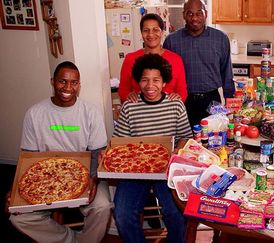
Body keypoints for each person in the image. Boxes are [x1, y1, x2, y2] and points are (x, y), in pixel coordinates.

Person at [8, 61, 112, 243]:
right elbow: (28, 157)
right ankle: (70, 239)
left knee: (102, 206)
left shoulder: (90, 112)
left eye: (73, 83)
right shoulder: (35, 113)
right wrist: (15, 190)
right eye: (62, 81)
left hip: (85, 173)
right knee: (18, 217)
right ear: (52, 81)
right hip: (45, 178)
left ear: (79, 85)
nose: (68, 87)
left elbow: (97, 153)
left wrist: (93, 179)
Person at [113, 53, 192, 243]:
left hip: (166, 170)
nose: (150, 86)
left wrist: (175, 153)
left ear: (164, 82)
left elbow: (186, 137)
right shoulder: (130, 106)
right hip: (135, 170)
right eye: (144, 80)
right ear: (138, 82)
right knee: (123, 215)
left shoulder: (175, 104)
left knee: (176, 214)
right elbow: (119, 143)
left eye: (156, 80)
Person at [163, 0, 235, 127]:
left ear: (205, 14)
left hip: (212, 100)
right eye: (190, 14)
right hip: (182, 101)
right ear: (183, 15)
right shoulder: (171, 41)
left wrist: (230, 101)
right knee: (185, 141)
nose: (194, 18)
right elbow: (166, 75)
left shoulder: (220, 39)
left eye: (199, 13)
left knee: (215, 138)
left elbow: (226, 73)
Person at [118, 13, 188, 103]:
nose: (151, 34)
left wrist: (178, 97)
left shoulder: (176, 59)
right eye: (146, 30)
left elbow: (182, 91)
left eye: (156, 30)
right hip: (140, 112)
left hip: (168, 112)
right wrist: (128, 95)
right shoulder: (130, 59)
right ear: (141, 33)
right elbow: (123, 90)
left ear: (162, 32)